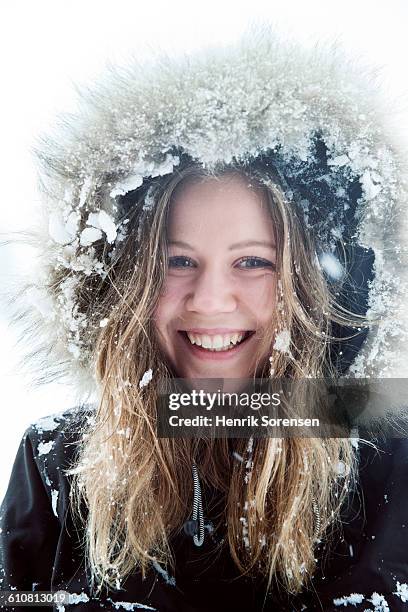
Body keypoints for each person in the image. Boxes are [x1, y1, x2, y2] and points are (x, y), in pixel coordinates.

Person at [1, 26, 408, 612]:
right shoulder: (59, 460)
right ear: (124, 284)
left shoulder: (384, 460)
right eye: (178, 260)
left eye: (253, 262)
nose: (210, 299)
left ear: (315, 285)